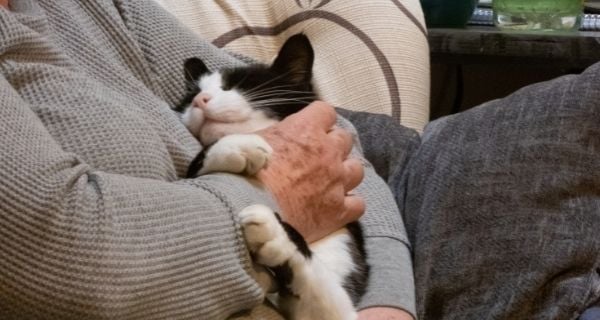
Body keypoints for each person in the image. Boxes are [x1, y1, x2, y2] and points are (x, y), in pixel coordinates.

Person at [0, 0, 414, 319]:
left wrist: (387, 300)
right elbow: (46, 248)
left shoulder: (104, 8)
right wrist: (279, 191)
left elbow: (326, 132)